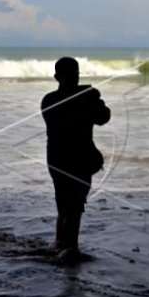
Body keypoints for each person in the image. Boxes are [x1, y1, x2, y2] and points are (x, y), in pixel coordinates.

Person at [41, 57, 110, 254]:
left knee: (65, 206)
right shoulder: (78, 99)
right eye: (71, 75)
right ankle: (70, 249)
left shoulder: (49, 99)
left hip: (57, 158)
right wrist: (92, 96)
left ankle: (60, 245)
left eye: (76, 75)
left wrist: (91, 97)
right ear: (57, 77)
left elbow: (103, 117)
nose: (74, 78)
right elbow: (103, 116)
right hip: (76, 158)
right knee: (74, 207)